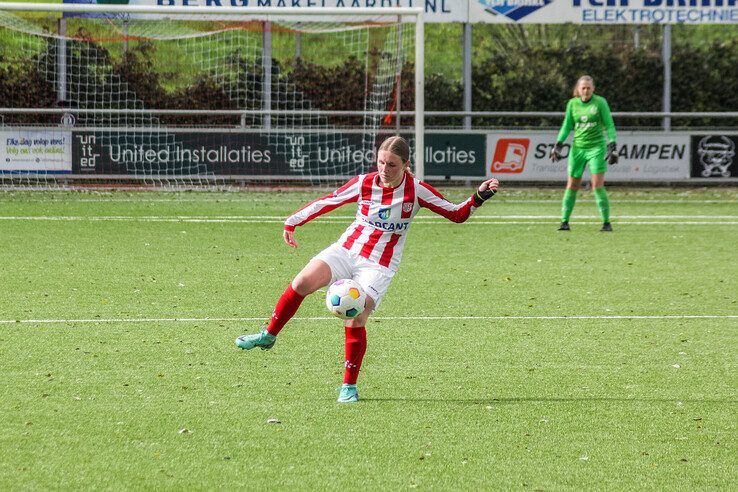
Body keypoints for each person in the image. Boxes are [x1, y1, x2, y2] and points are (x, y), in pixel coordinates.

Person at [235, 136, 500, 403]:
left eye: (392, 165)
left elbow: (456, 213)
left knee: (357, 316)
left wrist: (478, 197)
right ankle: (268, 335)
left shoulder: (417, 191)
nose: (385, 169)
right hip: (347, 250)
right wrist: (292, 221)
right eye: (381, 162)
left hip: (379, 265)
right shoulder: (364, 183)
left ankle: (348, 387)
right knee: (302, 281)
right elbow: (330, 200)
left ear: (406, 165)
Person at [549, 75, 618, 232]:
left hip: (597, 148)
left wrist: (612, 144)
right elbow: (567, 126)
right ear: (578, 90)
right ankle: (564, 222)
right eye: (583, 88)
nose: (586, 90)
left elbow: (609, 125)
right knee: (572, 185)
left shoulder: (600, 102)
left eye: (588, 88)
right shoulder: (572, 104)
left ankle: (606, 223)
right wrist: (558, 144)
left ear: (593, 89)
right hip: (578, 149)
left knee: (597, 185)